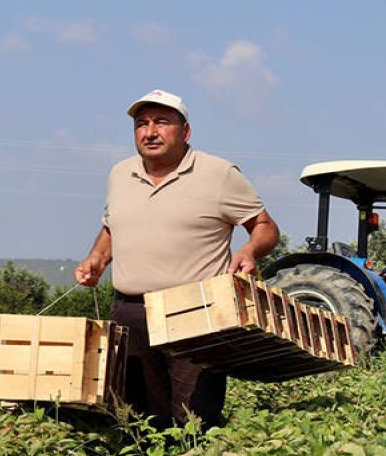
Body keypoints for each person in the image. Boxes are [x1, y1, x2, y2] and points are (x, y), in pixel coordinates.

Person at [74, 89, 279, 428]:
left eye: (161, 122)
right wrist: (96, 258)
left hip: (196, 311)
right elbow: (112, 228)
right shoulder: (120, 174)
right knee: (136, 417)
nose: (150, 132)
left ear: (185, 131)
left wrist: (249, 250)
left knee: (193, 417)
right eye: (142, 124)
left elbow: (265, 226)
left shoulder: (218, 173)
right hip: (131, 311)